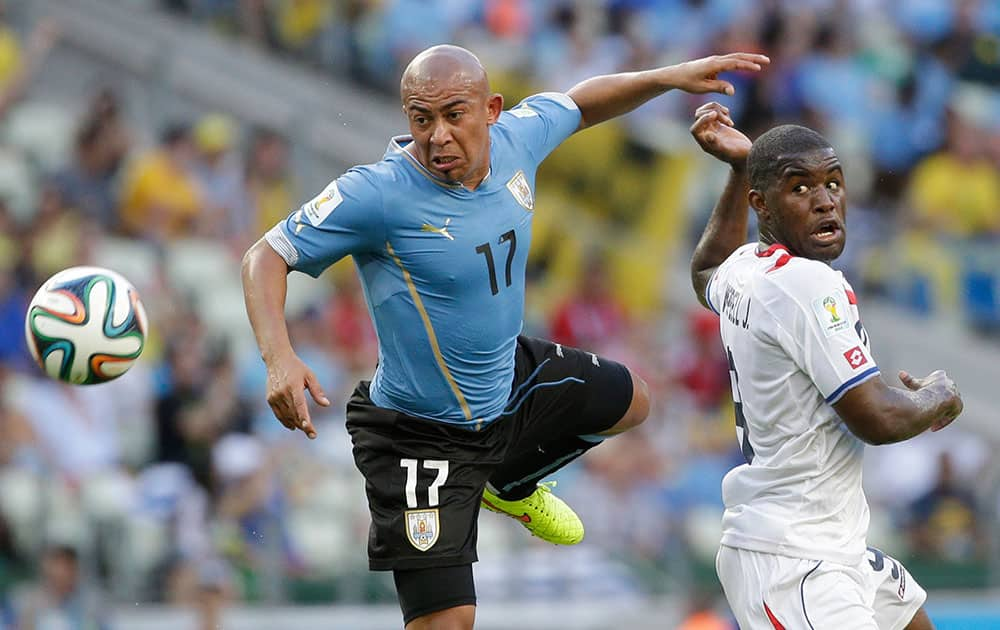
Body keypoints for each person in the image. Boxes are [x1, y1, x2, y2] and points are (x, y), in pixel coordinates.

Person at [243, 45, 768, 629]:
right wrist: (279, 357)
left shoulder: (518, 139)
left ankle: (509, 482)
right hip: (419, 436)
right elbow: (265, 256)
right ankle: (500, 480)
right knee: (451, 623)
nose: (438, 135)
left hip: (507, 379)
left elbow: (581, 102)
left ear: (491, 109)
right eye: (422, 119)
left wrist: (668, 78)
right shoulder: (377, 193)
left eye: (453, 114)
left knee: (634, 402)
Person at [688, 101, 964, 630]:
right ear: (761, 207)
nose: (824, 202)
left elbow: (705, 270)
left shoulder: (747, 268)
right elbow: (877, 419)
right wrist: (938, 394)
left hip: (836, 545)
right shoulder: (807, 284)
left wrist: (738, 167)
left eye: (833, 184)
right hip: (794, 559)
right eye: (800, 188)